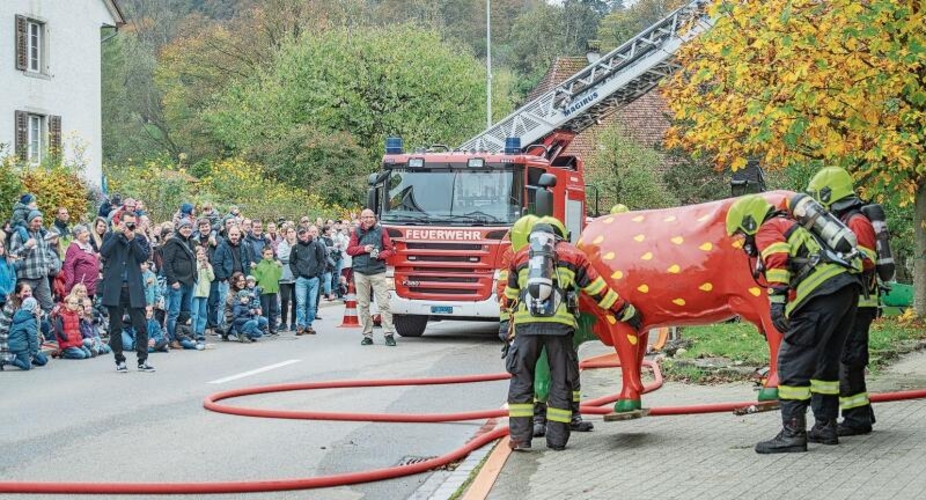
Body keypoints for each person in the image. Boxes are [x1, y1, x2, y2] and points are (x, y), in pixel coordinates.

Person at [725, 194, 861, 454]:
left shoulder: (767, 229)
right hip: (843, 290)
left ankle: (793, 433)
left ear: (750, 223)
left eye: (741, 235)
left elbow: (777, 259)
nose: (743, 243)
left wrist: (776, 302)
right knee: (824, 362)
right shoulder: (788, 225)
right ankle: (825, 426)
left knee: (790, 363)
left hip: (820, 296)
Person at [502, 216, 642, 451]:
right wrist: (625, 311)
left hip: (526, 328)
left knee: (521, 379)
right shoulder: (573, 255)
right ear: (561, 236)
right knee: (562, 381)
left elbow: (509, 298)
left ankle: (520, 439)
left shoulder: (520, 256)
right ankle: (556, 441)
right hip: (560, 327)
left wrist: (505, 328)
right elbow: (599, 290)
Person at [806, 167, 880, 436]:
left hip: (859, 302)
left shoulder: (855, 220)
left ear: (828, 192)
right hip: (846, 303)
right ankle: (859, 413)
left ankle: (857, 418)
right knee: (844, 359)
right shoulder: (839, 220)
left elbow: (867, 259)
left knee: (850, 359)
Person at [100, 210, 154, 373]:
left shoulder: (139, 238)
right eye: (127, 223)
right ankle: (119, 360)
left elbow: (143, 256)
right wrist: (118, 234)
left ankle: (142, 360)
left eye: (133, 223)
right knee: (116, 327)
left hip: (134, 288)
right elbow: (104, 252)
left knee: (141, 325)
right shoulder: (111, 236)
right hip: (115, 288)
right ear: (120, 222)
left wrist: (132, 240)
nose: (130, 226)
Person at [346, 209, 397, 346]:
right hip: (360, 271)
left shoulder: (381, 231)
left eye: (370, 217)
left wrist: (379, 255)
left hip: (377, 271)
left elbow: (390, 250)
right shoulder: (356, 232)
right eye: (365, 217)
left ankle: (388, 334)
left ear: (374, 218)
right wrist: (364, 249)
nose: (368, 219)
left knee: (384, 304)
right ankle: (367, 335)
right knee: (363, 305)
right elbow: (349, 250)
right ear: (361, 219)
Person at [9, 210, 56, 312]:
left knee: (48, 306)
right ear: (29, 221)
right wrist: (26, 246)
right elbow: (12, 256)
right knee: (24, 307)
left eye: (40, 221)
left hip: (42, 277)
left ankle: (46, 327)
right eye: (35, 221)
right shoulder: (19, 235)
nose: (38, 223)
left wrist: (48, 266)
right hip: (26, 278)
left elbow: (47, 253)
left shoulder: (43, 235)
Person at [162, 219, 197, 348]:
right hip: (178, 283)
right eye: (184, 227)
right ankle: (171, 338)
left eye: (189, 227)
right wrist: (173, 281)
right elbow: (166, 263)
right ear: (179, 228)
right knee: (174, 312)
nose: (187, 229)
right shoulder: (173, 242)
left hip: (189, 281)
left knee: (186, 312)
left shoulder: (190, 242)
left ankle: (180, 335)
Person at [289, 227, 326, 336]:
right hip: (301, 279)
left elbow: (322, 261)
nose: (302, 235)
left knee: (312, 304)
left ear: (308, 233)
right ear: (298, 235)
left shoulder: (316, 245)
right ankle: (301, 325)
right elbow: (292, 262)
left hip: (314, 279)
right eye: (300, 234)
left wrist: (318, 274)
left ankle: (308, 324)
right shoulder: (295, 247)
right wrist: (297, 275)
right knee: (300, 303)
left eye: (304, 233)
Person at [3, 297, 43, 370]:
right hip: (20, 347)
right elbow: (33, 337)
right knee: (26, 366)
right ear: (33, 307)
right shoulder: (30, 320)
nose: (39, 309)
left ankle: (19, 358)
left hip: (12, 344)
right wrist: (33, 352)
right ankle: (6, 359)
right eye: (37, 307)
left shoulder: (18, 314)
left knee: (42, 360)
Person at [62, 225, 100, 299]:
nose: (88, 233)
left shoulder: (88, 245)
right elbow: (68, 267)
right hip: (81, 287)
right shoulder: (73, 248)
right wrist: (69, 285)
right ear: (78, 235)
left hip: (91, 286)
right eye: (85, 232)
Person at [253, 247, 282, 336]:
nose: (270, 256)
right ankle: (264, 327)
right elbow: (257, 278)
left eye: (271, 254)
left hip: (273, 290)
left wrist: (279, 267)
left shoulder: (275, 264)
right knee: (265, 310)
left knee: (274, 310)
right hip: (264, 291)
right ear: (263, 255)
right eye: (267, 254)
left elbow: (279, 276)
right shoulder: (260, 265)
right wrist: (253, 269)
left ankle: (273, 327)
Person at [54, 293, 93, 359]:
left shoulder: (76, 315)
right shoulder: (61, 316)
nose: (75, 305)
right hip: (67, 344)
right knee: (82, 355)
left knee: (88, 355)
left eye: (76, 303)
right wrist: (66, 338)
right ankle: (63, 353)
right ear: (66, 304)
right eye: (72, 303)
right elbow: (59, 330)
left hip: (77, 342)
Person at [191, 246, 214, 347]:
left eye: (202, 254)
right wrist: (199, 267)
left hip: (204, 292)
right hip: (195, 293)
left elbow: (212, 278)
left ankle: (200, 332)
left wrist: (207, 268)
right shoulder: (193, 264)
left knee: (203, 314)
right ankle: (193, 332)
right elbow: (193, 274)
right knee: (194, 313)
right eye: (199, 254)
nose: (201, 256)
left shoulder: (208, 265)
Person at [277, 226, 298, 332]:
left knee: (295, 300)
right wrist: (293, 258)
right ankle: (283, 322)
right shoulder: (281, 245)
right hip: (284, 277)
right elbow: (281, 257)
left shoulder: (299, 245)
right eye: (288, 232)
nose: (290, 234)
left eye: (292, 232)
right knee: (284, 299)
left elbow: (300, 258)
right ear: (285, 234)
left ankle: (294, 323)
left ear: (295, 233)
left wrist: (291, 258)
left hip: (296, 277)